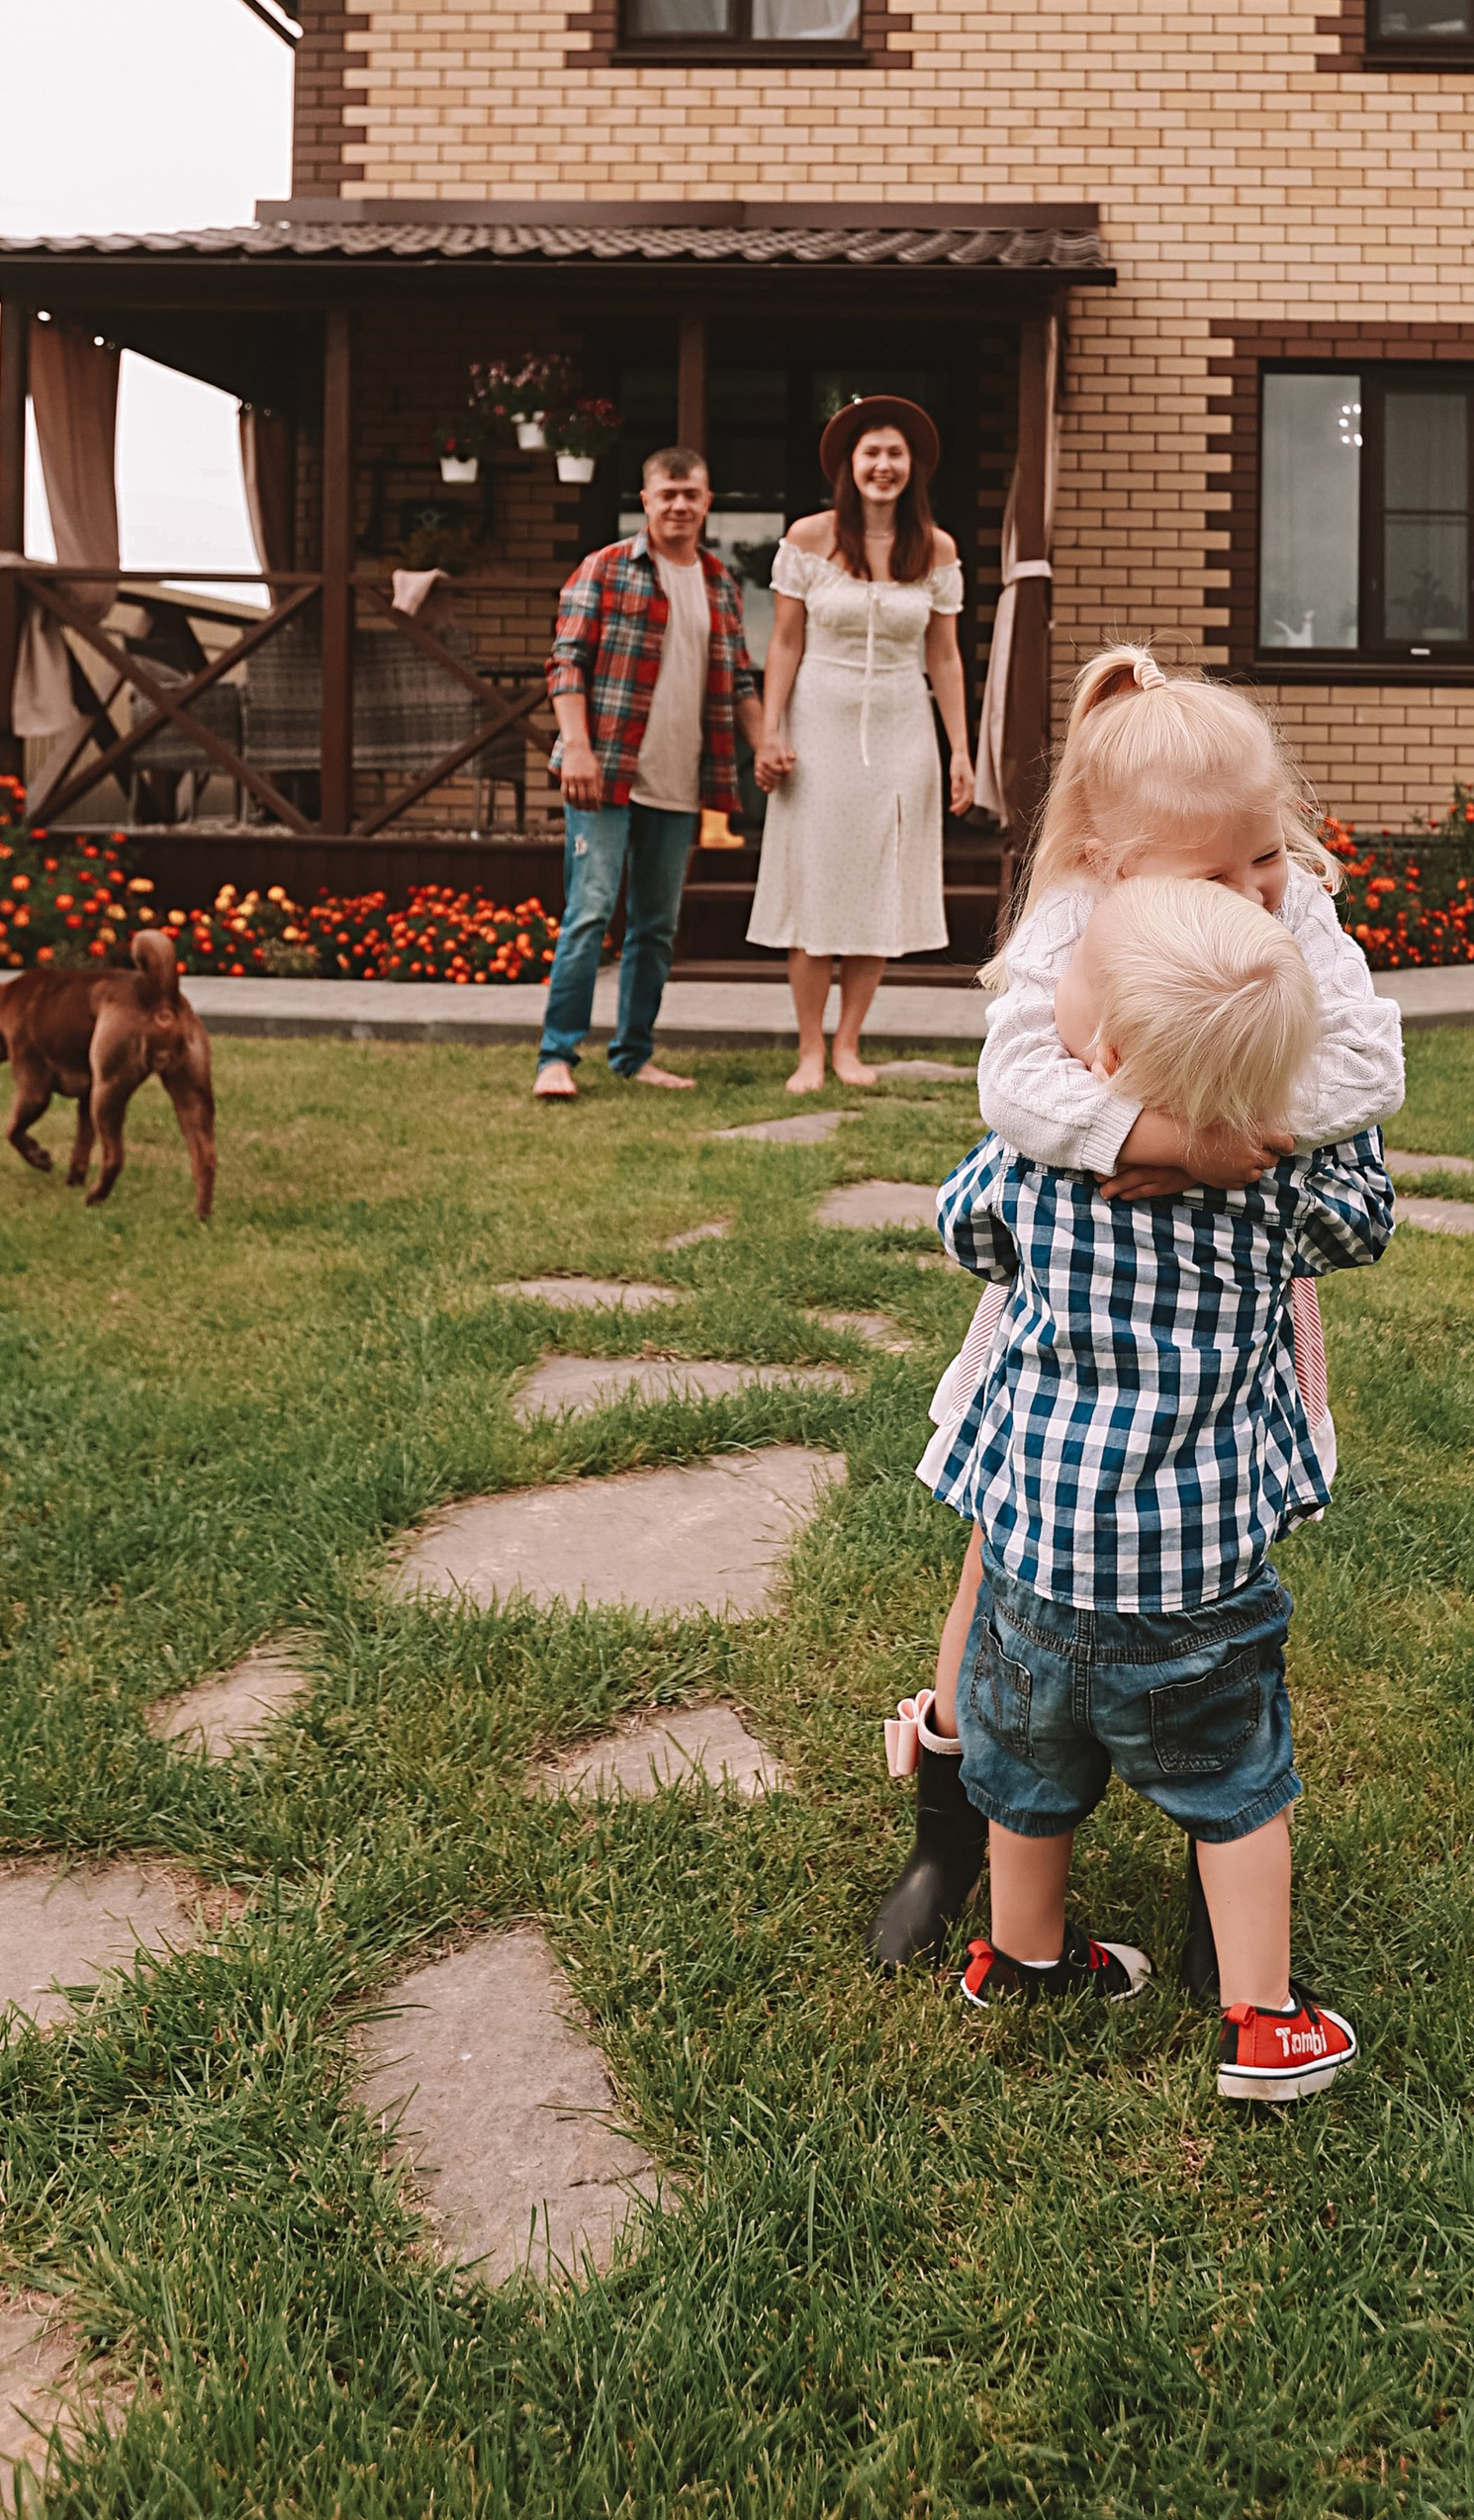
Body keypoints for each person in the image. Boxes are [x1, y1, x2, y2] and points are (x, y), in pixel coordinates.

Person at [868, 643, 1403, 1978]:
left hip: (1218, 1302)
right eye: (1218, 876)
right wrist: (1155, 1136)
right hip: (1057, 1318)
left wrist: (1232, 1129)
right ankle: (952, 1824)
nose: (1255, 893)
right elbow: (1015, 1088)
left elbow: (1365, 1066)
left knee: (1205, 1563)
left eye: (1266, 857)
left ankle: (1211, 1849)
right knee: (1000, 1554)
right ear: (1114, 860)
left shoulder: (1291, 904)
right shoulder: (1073, 914)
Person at [926, 870, 1395, 2104]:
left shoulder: (1031, 1167)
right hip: (1196, 1593)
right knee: (1237, 1794)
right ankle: (1263, 2020)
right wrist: (1299, 1121)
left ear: (1102, 1054)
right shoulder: (1273, 1192)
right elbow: (1362, 1225)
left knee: (1026, 1780)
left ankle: (1022, 1960)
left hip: (1033, 1570)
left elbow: (964, 1231)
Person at [749, 395, 972, 1095]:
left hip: (905, 728)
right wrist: (772, 729)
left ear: (913, 466)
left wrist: (960, 750)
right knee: (815, 885)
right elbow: (785, 641)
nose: (883, 465)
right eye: (871, 452)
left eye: (894, 454)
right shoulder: (808, 537)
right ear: (849, 463)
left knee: (880, 889)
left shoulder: (936, 548)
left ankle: (849, 1044)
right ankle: (809, 1050)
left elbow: (945, 657)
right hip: (819, 724)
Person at [532, 444, 767, 1100]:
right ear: (646, 500)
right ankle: (556, 1057)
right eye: (668, 494)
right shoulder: (606, 567)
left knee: (656, 928)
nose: (679, 505)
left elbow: (738, 683)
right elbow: (566, 663)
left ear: (707, 502)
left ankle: (634, 1054)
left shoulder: (720, 583)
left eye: (691, 494)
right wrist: (577, 746)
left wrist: (767, 745)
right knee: (589, 913)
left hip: (679, 783)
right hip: (603, 775)